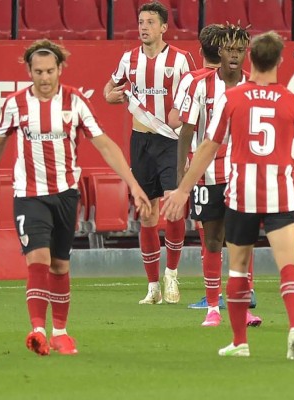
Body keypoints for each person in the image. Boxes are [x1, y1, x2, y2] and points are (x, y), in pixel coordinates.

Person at [0, 40, 152, 356]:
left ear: (60, 69)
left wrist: (134, 184)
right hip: (29, 196)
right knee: (38, 259)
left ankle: (60, 332)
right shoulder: (16, 104)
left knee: (59, 265)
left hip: (65, 195)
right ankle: (37, 331)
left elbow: (104, 144)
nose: (44, 78)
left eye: (49, 71)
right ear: (29, 72)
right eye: (38, 72)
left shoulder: (76, 102)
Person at [162, 31, 294, 359]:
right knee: (288, 266)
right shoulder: (290, 101)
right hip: (279, 194)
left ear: (250, 57)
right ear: (280, 60)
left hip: (241, 192)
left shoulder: (233, 98)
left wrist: (182, 188)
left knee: (236, 265)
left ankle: (239, 341)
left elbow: (207, 145)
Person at [103, 1, 196, 305]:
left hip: (171, 142)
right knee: (147, 212)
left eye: (150, 22)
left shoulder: (181, 60)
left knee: (174, 208)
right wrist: (110, 96)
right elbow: (109, 89)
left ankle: (172, 274)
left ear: (164, 27)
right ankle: (153, 286)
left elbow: (197, 93)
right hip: (141, 142)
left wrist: (180, 113)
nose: (143, 27)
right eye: (141, 22)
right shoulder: (128, 59)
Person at [171, 24, 261, 327]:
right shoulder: (200, 86)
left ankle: (243, 306)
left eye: (239, 50)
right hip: (208, 174)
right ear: (219, 51)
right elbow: (186, 130)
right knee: (212, 240)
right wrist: (181, 172)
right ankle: (212, 307)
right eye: (229, 50)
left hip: (242, 174)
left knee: (241, 240)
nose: (234, 56)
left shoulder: (254, 86)